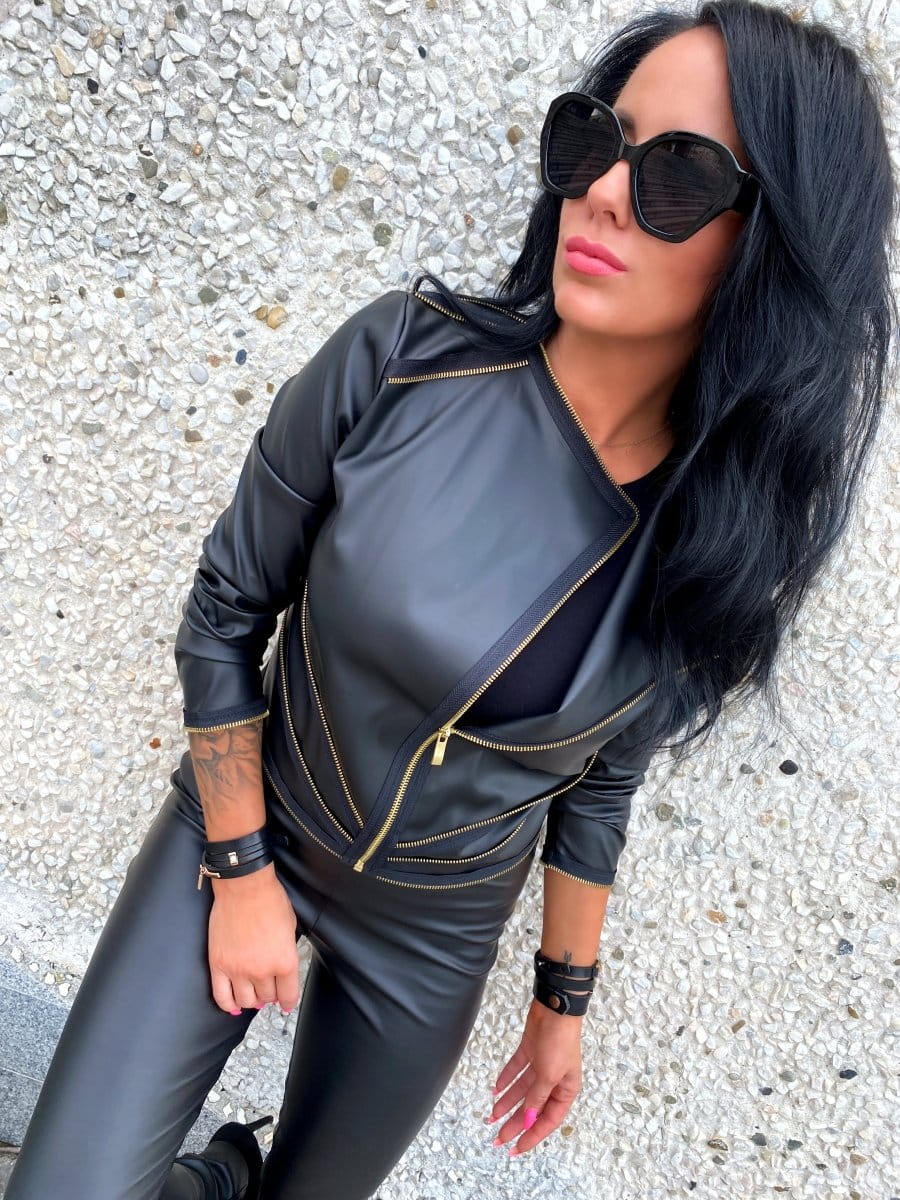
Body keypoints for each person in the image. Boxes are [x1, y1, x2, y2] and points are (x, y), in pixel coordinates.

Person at [6, 0, 896, 1197]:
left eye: (679, 173)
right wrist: (242, 867)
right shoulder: (404, 363)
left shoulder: (716, 549)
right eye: (596, 141)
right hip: (248, 827)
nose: (606, 193)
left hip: (430, 939)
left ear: (775, 244)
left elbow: (601, 782)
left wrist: (560, 1004)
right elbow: (224, 611)